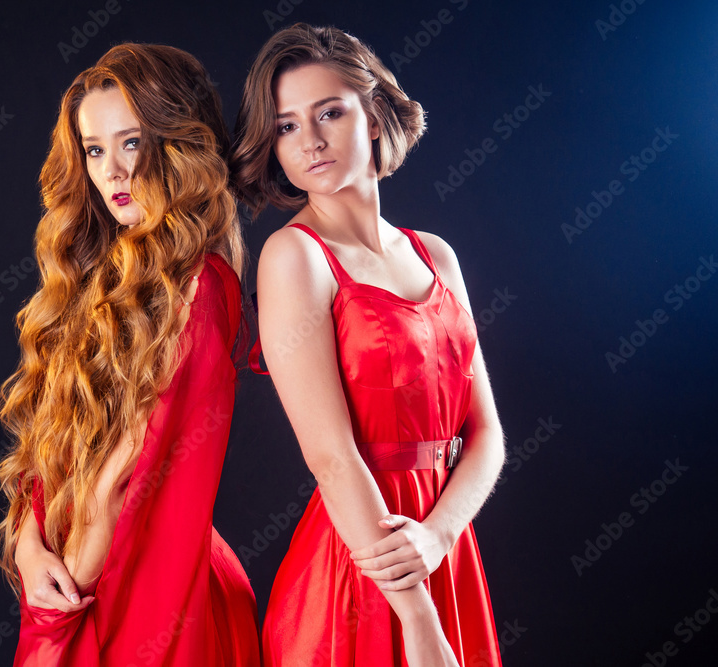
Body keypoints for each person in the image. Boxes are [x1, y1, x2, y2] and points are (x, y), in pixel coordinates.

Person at [231, 23, 505, 666]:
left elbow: (487, 435)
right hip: (361, 567)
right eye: (287, 126)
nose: (311, 141)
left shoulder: (434, 253)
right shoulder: (293, 256)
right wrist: (418, 618)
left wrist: (436, 540)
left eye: (330, 112)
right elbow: (330, 456)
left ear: (376, 115)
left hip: (443, 550)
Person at [0, 43, 260, 666]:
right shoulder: (93, 279)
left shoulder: (202, 284)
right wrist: (30, 547)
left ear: (175, 144)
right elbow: (52, 443)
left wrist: (55, 621)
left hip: (141, 597)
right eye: (93, 149)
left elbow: (121, 481)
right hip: (79, 573)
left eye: (131, 142)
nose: (111, 170)